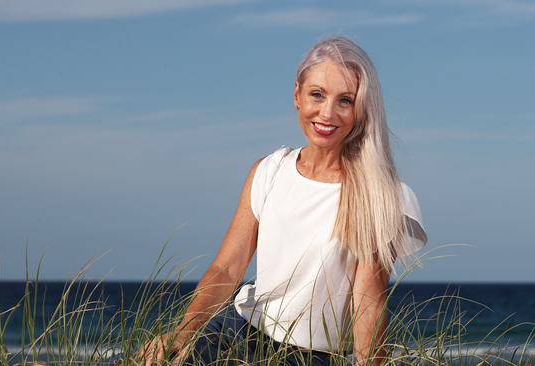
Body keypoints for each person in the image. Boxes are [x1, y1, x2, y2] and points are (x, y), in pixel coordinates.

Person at [138, 36, 427, 366]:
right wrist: (181, 334)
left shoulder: (379, 194)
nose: (327, 113)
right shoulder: (269, 171)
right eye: (317, 95)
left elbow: (368, 302)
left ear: (360, 109)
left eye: (345, 100)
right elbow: (227, 268)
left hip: (311, 358)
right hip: (234, 332)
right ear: (297, 96)